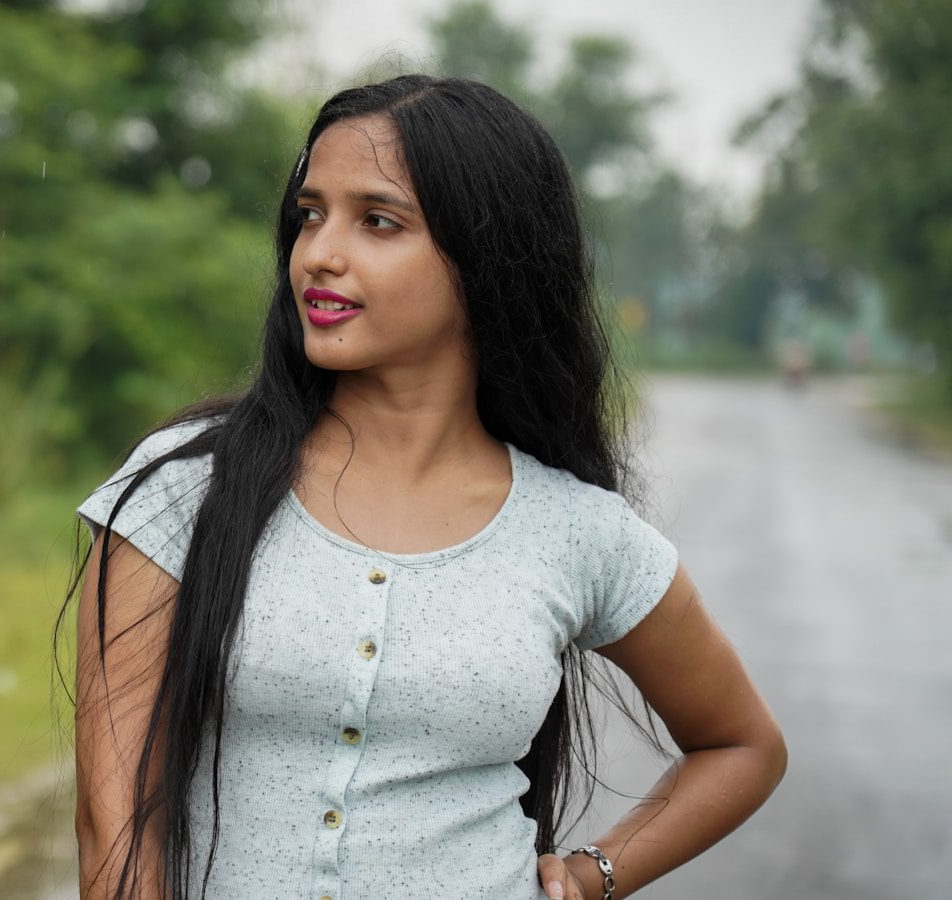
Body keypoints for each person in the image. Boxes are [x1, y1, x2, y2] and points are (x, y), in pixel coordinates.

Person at [63, 74, 786, 900]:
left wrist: (595, 875)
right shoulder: (185, 489)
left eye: (378, 220)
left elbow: (743, 746)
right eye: (310, 214)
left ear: (486, 256)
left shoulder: (578, 530)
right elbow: (111, 828)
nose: (319, 253)